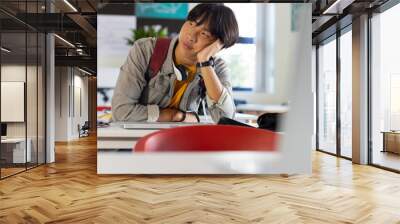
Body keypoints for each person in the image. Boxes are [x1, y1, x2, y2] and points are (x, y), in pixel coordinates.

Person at [112, 3, 239, 123]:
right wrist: (175, 116)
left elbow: (226, 121)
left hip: (182, 142)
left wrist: (205, 62)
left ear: (217, 45)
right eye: (191, 23)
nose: (191, 36)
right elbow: (121, 112)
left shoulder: (217, 68)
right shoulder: (146, 50)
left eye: (204, 33)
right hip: (135, 139)